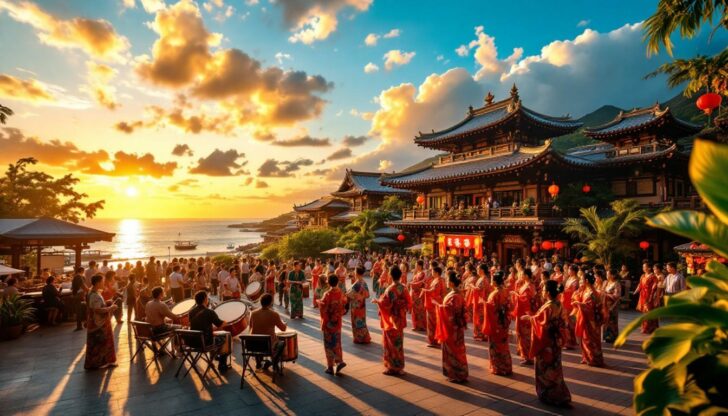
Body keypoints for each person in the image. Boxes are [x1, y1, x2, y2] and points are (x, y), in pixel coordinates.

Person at [525, 280, 571, 407]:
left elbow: (541, 322)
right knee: (555, 367)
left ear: (549, 292)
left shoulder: (549, 306)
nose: (542, 291)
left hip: (546, 343)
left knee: (545, 367)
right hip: (555, 341)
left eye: (544, 289)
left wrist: (530, 318)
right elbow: (563, 323)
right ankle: (559, 394)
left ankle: (548, 394)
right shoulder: (559, 304)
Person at [373, 265, 412, 376]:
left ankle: (391, 366)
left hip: (391, 320)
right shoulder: (403, 288)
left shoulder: (390, 289)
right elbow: (409, 303)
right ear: (400, 276)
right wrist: (401, 306)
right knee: (399, 343)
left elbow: (385, 304)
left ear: (391, 275)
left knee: (390, 343)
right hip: (399, 318)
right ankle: (399, 367)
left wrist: (378, 302)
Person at [434, 271, 468, 383]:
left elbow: (449, 310)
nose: (446, 282)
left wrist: (439, 306)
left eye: (448, 280)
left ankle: (456, 373)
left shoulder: (454, 296)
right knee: (458, 349)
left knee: (453, 350)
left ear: (452, 283)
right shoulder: (458, 294)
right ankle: (459, 372)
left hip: (451, 327)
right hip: (457, 327)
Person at [189, 290, 230, 372]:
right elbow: (220, 325)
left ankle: (213, 357)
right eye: (207, 298)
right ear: (205, 299)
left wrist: (212, 329)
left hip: (193, 342)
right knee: (225, 337)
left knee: (212, 335)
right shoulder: (209, 312)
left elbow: (197, 326)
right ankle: (222, 364)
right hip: (205, 342)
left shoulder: (191, 312)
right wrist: (226, 322)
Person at [84, 274, 118, 370]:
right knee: (101, 342)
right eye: (102, 282)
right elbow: (97, 310)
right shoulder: (94, 295)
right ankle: (101, 362)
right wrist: (110, 307)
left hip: (96, 321)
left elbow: (97, 306)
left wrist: (107, 302)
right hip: (99, 322)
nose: (104, 283)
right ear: (98, 283)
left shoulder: (93, 292)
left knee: (98, 342)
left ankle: (98, 363)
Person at [482, 271, 513, 376]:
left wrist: (484, 304)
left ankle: (498, 367)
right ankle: (506, 366)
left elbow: (491, 308)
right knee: (503, 344)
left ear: (495, 282)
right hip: (503, 321)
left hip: (496, 323)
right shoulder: (505, 291)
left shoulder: (494, 294)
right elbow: (509, 306)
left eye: (492, 280)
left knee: (496, 345)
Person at [572, 272, 605, 367]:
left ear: (586, 281)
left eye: (582, 280)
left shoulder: (592, 293)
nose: (581, 281)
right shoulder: (586, 290)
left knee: (590, 340)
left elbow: (589, 307)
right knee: (585, 339)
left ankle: (593, 359)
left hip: (591, 320)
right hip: (586, 318)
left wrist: (578, 303)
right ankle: (586, 357)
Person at [317, 274, 347, 375]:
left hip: (329, 323)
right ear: (337, 282)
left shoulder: (327, 294)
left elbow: (323, 307)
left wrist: (319, 303)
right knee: (337, 342)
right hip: (337, 321)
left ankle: (330, 367)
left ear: (328, 283)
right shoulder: (340, 293)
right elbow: (344, 305)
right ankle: (339, 361)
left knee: (328, 344)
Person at [248, 293, 287, 371]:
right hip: (269, 346)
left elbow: (250, 328)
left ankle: (259, 362)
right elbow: (283, 329)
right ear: (270, 303)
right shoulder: (274, 314)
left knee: (258, 338)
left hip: (254, 346)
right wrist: (285, 323)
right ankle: (274, 362)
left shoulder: (253, 313)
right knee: (281, 343)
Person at [514, 269, 537, 365]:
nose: (520, 275)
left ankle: (528, 357)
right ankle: (525, 354)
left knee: (525, 335)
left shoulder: (528, 287)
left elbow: (526, 300)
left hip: (525, 313)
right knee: (522, 334)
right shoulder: (526, 285)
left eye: (522, 274)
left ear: (526, 276)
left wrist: (517, 296)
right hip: (522, 312)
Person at [422, 265, 446, 348]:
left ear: (436, 273)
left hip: (433, 304)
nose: (431, 272)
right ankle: (434, 339)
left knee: (433, 323)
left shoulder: (438, 281)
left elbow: (433, 292)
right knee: (434, 322)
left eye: (432, 271)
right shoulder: (439, 280)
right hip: (436, 303)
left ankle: (434, 340)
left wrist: (425, 290)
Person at [346, 266, 371, 344]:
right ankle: (364, 337)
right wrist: (361, 296)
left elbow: (349, 294)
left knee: (356, 321)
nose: (353, 272)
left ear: (356, 273)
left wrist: (353, 295)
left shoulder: (357, 284)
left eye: (354, 270)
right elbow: (368, 295)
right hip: (362, 305)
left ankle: (359, 338)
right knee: (362, 321)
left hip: (356, 306)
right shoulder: (364, 282)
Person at [634, 262, 659, 334]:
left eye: (644, 267)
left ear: (649, 268)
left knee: (649, 311)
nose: (643, 268)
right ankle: (645, 327)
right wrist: (636, 291)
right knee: (644, 312)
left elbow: (655, 285)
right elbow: (640, 284)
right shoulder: (642, 276)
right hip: (643, 295)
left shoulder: (653, 276)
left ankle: (650, 328)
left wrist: (653, 295)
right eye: (643, 267)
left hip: (649, 295)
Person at [470, 264, 490, 341]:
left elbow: (478, 289)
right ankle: (479, 333)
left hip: (481, 302)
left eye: (478, 269)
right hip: (479, 301)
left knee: (480, 318)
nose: (477, 270)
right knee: (479, 318)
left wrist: (471, 286)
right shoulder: (481, 278)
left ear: (482, 270)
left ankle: (481, 334)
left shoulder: (483, 279)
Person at [561, 265, 579, 349]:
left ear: (574, 271)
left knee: (570, 323)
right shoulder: (569, 278)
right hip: (565, 301)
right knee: (566, 322)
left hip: (570, 302)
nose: (568, 271)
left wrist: (564, 291)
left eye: (569, 269)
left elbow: (574, 292)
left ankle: (571, 342)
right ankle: (568, 341)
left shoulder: (576, 280)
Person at [602, 268, 622, 343]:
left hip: (612, 305)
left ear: (613, 275)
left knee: (612, 321)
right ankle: (606, 336)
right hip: (605, 304)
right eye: (607, 274)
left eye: (608, 274)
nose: (607, 275)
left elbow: (617, 296)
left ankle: (612, 336)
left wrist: (607, 294)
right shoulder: (606, 282)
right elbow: (602, 291)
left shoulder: (616, 283)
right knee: (605, 321)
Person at [408, 260, 427, 331]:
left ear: (420, 266)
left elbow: (421, 283)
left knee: (419, 310)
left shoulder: (422, 274)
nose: (415, 266)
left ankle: (420, 325)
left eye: (416, 265)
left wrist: (411, 284)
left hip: (418, 294)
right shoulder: (417, 273)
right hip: (414, 294)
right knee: (415, 310)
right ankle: (416, 325)